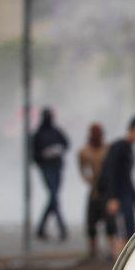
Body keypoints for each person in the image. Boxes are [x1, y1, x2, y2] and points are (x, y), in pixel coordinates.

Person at [98, 115, 135, 257]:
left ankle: (125, 257)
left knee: (130, 228)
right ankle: (118, 258)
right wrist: (112, 197)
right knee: (119, 229)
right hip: (117, 195)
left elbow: (127, 177)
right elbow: (110, 172)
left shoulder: (129, 148)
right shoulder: (118, 147)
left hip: (126, 194)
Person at [31, 107, 70, 241]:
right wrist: (44, 155)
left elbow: (66, 144)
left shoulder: (56, 132)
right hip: (46, 168)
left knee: (53, 197)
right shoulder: (38, 134)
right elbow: (34, 154)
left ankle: (41, 228)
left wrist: (57, 150)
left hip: (57, 167)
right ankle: (62, 227)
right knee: (53, 196)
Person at [78, 123, 115, 259]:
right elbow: (82, 170)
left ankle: (111, 250)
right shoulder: (84, 152)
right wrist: (89, 179)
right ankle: (93, 251)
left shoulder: (107, 149)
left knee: (110, 222)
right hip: (95, 191)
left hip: (106, 190)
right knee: (91, 222)